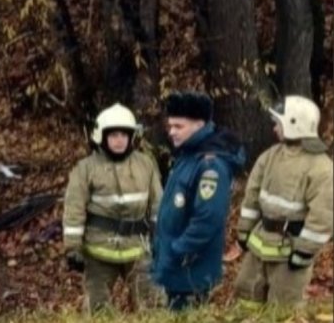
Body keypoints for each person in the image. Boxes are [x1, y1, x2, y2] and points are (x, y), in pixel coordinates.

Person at [233, 95, 333, 309]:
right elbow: (251, 197)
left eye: (278, 123)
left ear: (294, 125)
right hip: (259, 243)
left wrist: (305, 251)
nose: (274, 129)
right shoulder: (269, 156)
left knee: (284, 305)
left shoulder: (321, 168)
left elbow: (323, 215)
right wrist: (244, 230)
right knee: (246, 293)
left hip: (291, 250)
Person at [62, 103, 162, 313]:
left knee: (152, 304)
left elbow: (158, 204)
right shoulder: (86, 169)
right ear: (101, 136)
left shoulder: (145, 165)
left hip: (138, 248)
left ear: (132, 137)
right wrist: (73, 248)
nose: (119, 140)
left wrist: (161, 237)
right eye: (114, 135)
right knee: (96, 307)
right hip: (99, 250)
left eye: (124, 135)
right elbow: (74, 209)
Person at [152, 91, 245, 311]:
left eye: (179, 126)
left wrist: (179, 251)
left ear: (199, 124)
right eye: (170, 126)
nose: (172, 132)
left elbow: (208, 219)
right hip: (177, 270)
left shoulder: (210, 166)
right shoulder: (188, 156)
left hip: (190, 270)